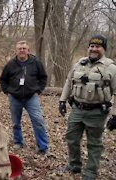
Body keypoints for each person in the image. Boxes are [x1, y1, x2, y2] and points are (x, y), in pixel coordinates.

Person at [59, 35, 116, 180]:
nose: (94, 49)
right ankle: (74, 165)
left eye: (98, 47)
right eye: (92, 46)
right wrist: (62, 100)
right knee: (71, 138)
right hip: (77, 109)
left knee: (94, 143)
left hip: (97, 112)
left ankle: (91, 171)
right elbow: (68, 82)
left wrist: (115, 115)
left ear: (104, 49)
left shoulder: (111, 68)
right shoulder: (79, 64)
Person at [0, 40, 49, 153]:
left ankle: (43, 147)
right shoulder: (11, 64)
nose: (22, 51)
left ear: (28, 50)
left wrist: (39, 90)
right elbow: (3, 79)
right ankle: (18, 142)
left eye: (24, 49)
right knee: (16, 122)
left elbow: (43, 77)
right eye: (19, 49)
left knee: (38, 121)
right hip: (15, 97)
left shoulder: (35, 62)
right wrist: (7, 91)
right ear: (16, 51)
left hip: (31, 97)